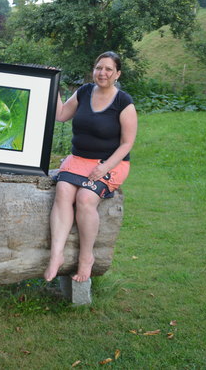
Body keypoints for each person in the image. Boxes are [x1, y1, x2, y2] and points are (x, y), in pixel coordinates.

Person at [44, 52, 137, 283]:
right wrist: (52, 83)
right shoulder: (84, 92)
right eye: (98, 68)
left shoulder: (123, 102)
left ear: (117, 74)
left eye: (108, 69)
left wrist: (105, 167)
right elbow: (61, 115)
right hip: (78, 159)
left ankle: (87, 257)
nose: (102, 73)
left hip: (111, 163)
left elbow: (127, 143)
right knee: (64, 191)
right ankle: (56, 255)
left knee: (85, 198)